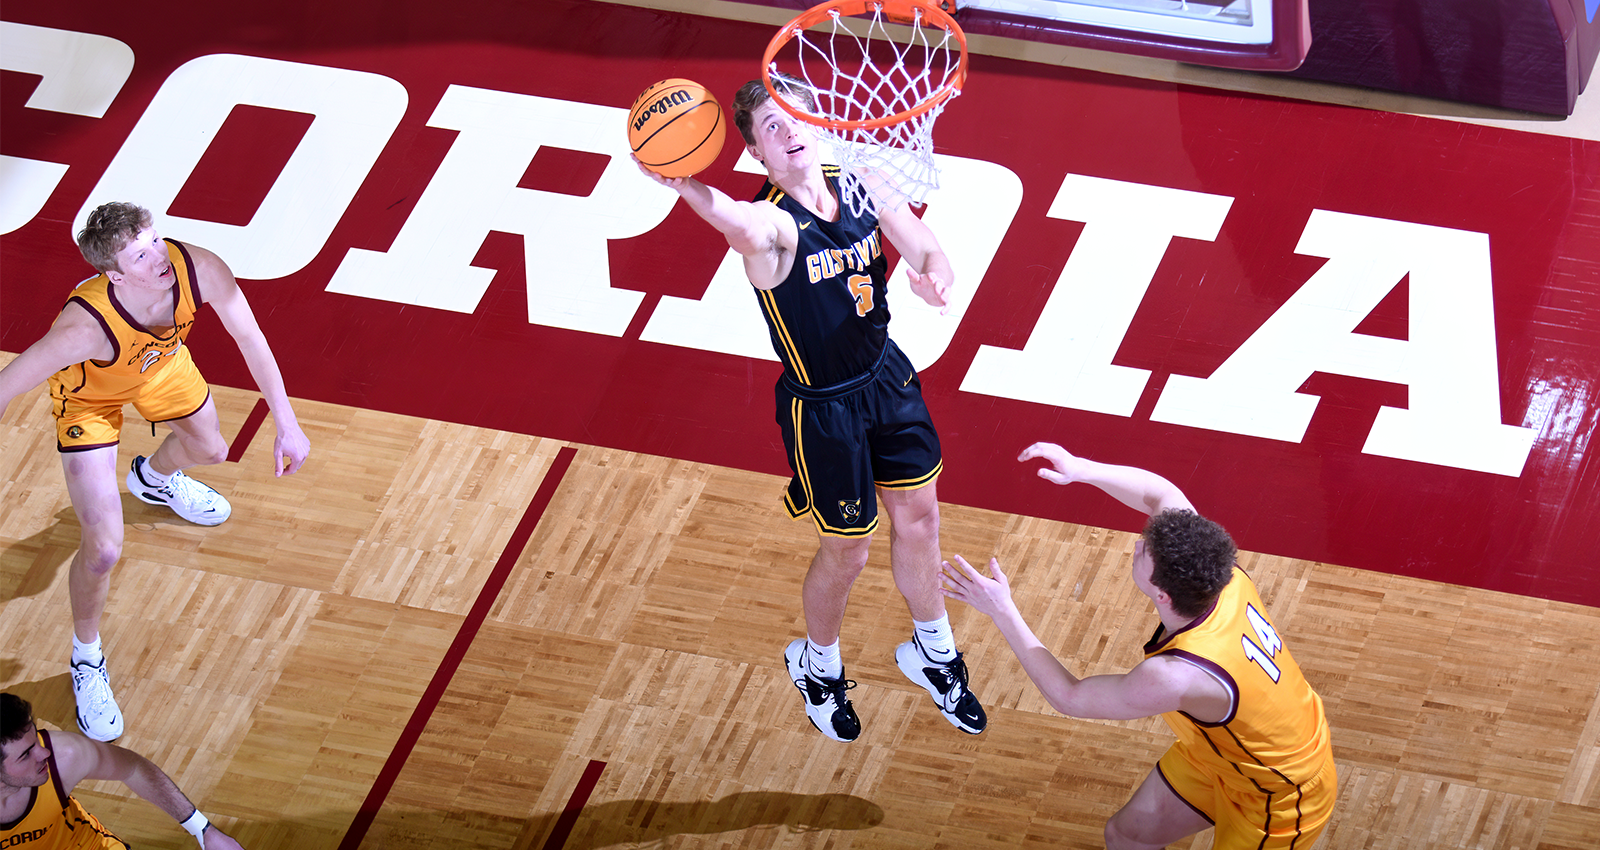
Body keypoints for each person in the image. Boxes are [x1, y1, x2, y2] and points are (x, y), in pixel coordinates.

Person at [636, 73, 984, 742]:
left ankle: (933, 654)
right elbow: (738, 221)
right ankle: (817, 666)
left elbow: (923, 244)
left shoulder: (860, 181)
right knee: (847, 552)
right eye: (771, 127)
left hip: (887, 377)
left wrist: (934, 274)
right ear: (757, 155)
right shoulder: (772, 228)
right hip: (824, 411)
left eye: (796, 116)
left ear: (820, 121)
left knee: (920, 517)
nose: (789, 130)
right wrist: (686, 187)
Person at [0, 203, 310, 743]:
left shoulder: (199, 269)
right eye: (140, 255)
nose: (158, 256)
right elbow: (5, 386)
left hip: (160, 366)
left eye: (155, 240)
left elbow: (250, 337)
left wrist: (286, 421)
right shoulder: (82, 329)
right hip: (90, 402)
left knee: (212, 449)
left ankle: (153, 479)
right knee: (102, 550)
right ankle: (87, 657)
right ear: (113, 274)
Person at [941, 443, 1336, 849]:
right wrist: (1082, 469)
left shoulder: (1176, 674)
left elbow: (1070, 697)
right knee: (1127, 836)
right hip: (1220, 756)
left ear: (1162, 594)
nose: (1137, 543)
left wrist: (1002, 610)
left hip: (1280, 794)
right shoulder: (1218, 574)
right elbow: (1160, 495)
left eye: (1145, 550)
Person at [1, 692, 245, 849]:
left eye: (36, 742)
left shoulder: (63, 757)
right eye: (25, 755)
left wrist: (204, 831)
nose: (43, 753)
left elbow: (134, 769)